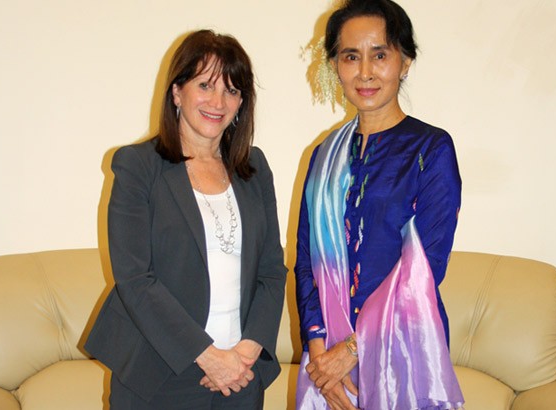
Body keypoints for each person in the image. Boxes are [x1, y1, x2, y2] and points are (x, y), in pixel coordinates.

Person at [85, 30, 287, 409]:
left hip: (241, 375)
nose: (218, 101)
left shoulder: (254, 168)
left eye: (231, 90)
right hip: (160, 372)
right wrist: (208, 356)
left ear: (242, 101)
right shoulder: (139, 166)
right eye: (205, 85)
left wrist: (246, 352)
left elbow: (273, 271)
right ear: (177, 92)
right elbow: (135, 279)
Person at [295, 1, 465, 409]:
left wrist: (351, 351)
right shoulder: (324, 155)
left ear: (405, 62)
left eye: (381, 55)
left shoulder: (431, 148)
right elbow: (305, 260)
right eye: (351, 56)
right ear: (335, 65)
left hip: (405, 350)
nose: (365, 72)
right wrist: (319, 351)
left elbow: (425, 268)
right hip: (327, 354)